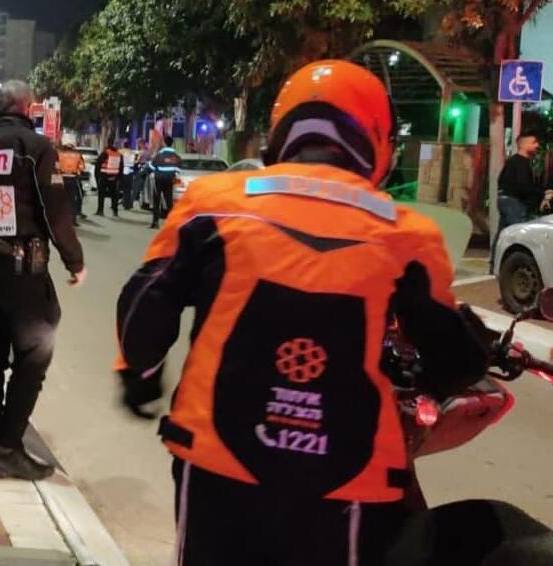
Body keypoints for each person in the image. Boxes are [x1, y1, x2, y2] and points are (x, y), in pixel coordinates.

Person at [115, 60, 488, 565]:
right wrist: (462, 359)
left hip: (217, 461)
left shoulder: (213, 204)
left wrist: (141, 376)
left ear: (282, 130)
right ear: (377, 141)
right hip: (348, 481)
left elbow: (145, 303)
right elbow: (454, 356)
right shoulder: (408, 234)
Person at [0, 80, 86, 480]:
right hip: (23, 266)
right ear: (28, 107)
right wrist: (74, 260)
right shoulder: (35, 148)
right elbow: (54, 207)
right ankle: (7, 447)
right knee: (36, 350)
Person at [493, 133, 550, 271]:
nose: (537, 146)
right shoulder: (521, 163)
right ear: (523, 145)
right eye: (533, 142)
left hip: (505, 200)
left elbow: (502, 181)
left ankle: (494, 264)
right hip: (513, 202)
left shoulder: (513, 161)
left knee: (504, 233)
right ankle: (519, 266)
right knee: (520, 235)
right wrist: (542, 193)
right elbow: (524, 186)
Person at [149, 136, 181, 229]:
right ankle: (172, 223)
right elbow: (178, 170)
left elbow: (151, 167)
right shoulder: (176, 156)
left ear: (164, 143)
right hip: (170, 180)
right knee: (169, 201)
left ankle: (155, 222)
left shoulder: (159, 155)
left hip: (158, 180)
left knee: (156, 201)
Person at [57, 144, 86, 226]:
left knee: (60, 200)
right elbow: (82, 167)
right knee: (72, 200)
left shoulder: (59, 154)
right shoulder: (77, 155)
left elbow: (55, 166)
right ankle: (72, 221)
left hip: (61, 178)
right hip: (73, 178)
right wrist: (77, 171)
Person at [94, 142, 123, 217]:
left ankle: (100, 211)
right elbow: (121, 167)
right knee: (114, 195)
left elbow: (98, 164)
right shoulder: (119, 155)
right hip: (114, 177)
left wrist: (97, 176)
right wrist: (119, 177)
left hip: (104, 176)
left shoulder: (105, 153)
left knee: (101, 195)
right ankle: (115, 211)